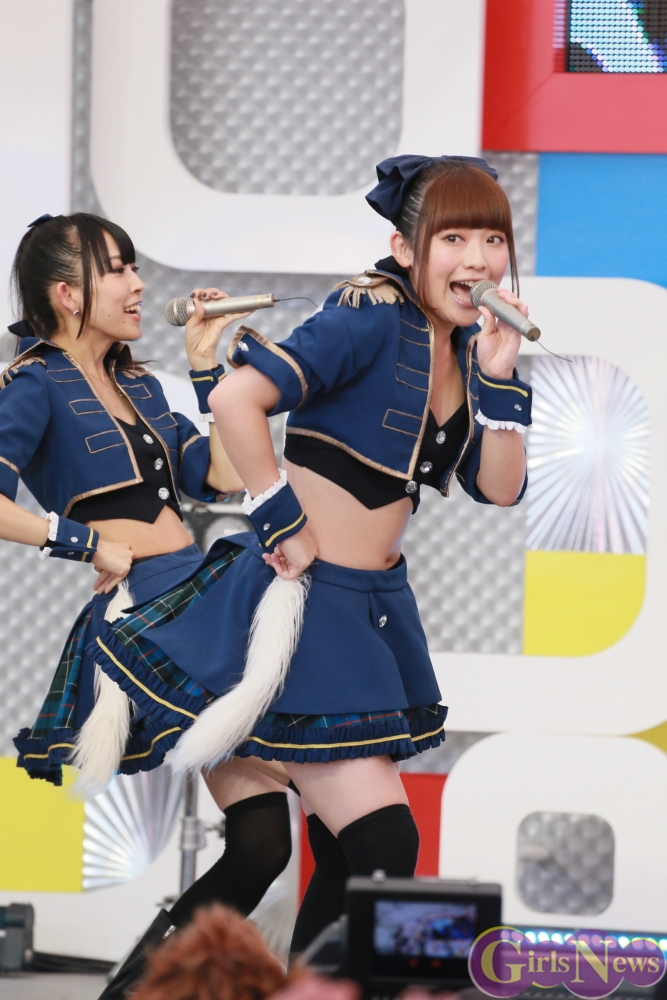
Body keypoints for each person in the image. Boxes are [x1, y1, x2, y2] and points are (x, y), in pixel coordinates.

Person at [91, 155, 532, 954]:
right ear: (404, 248)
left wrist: (499, 379)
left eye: (492, 240)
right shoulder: (367, 318)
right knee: (381, 845)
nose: (477, 260)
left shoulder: (468, 347)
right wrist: (277, 512)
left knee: (338, 854)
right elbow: (237, 398)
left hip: (368, 607)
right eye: (454, 238)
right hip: (303, 602)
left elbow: (500, 489)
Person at [1, 213, 292, 996]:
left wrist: (206, 369)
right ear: (67, 294)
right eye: (118, 270)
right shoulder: (33, 383)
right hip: (153, 617)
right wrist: (84, 544)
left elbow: (219, 477)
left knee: (263, 846)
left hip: (196, 598)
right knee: (321, 784)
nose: (138, 285)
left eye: (134, 268)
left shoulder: (137, 382)